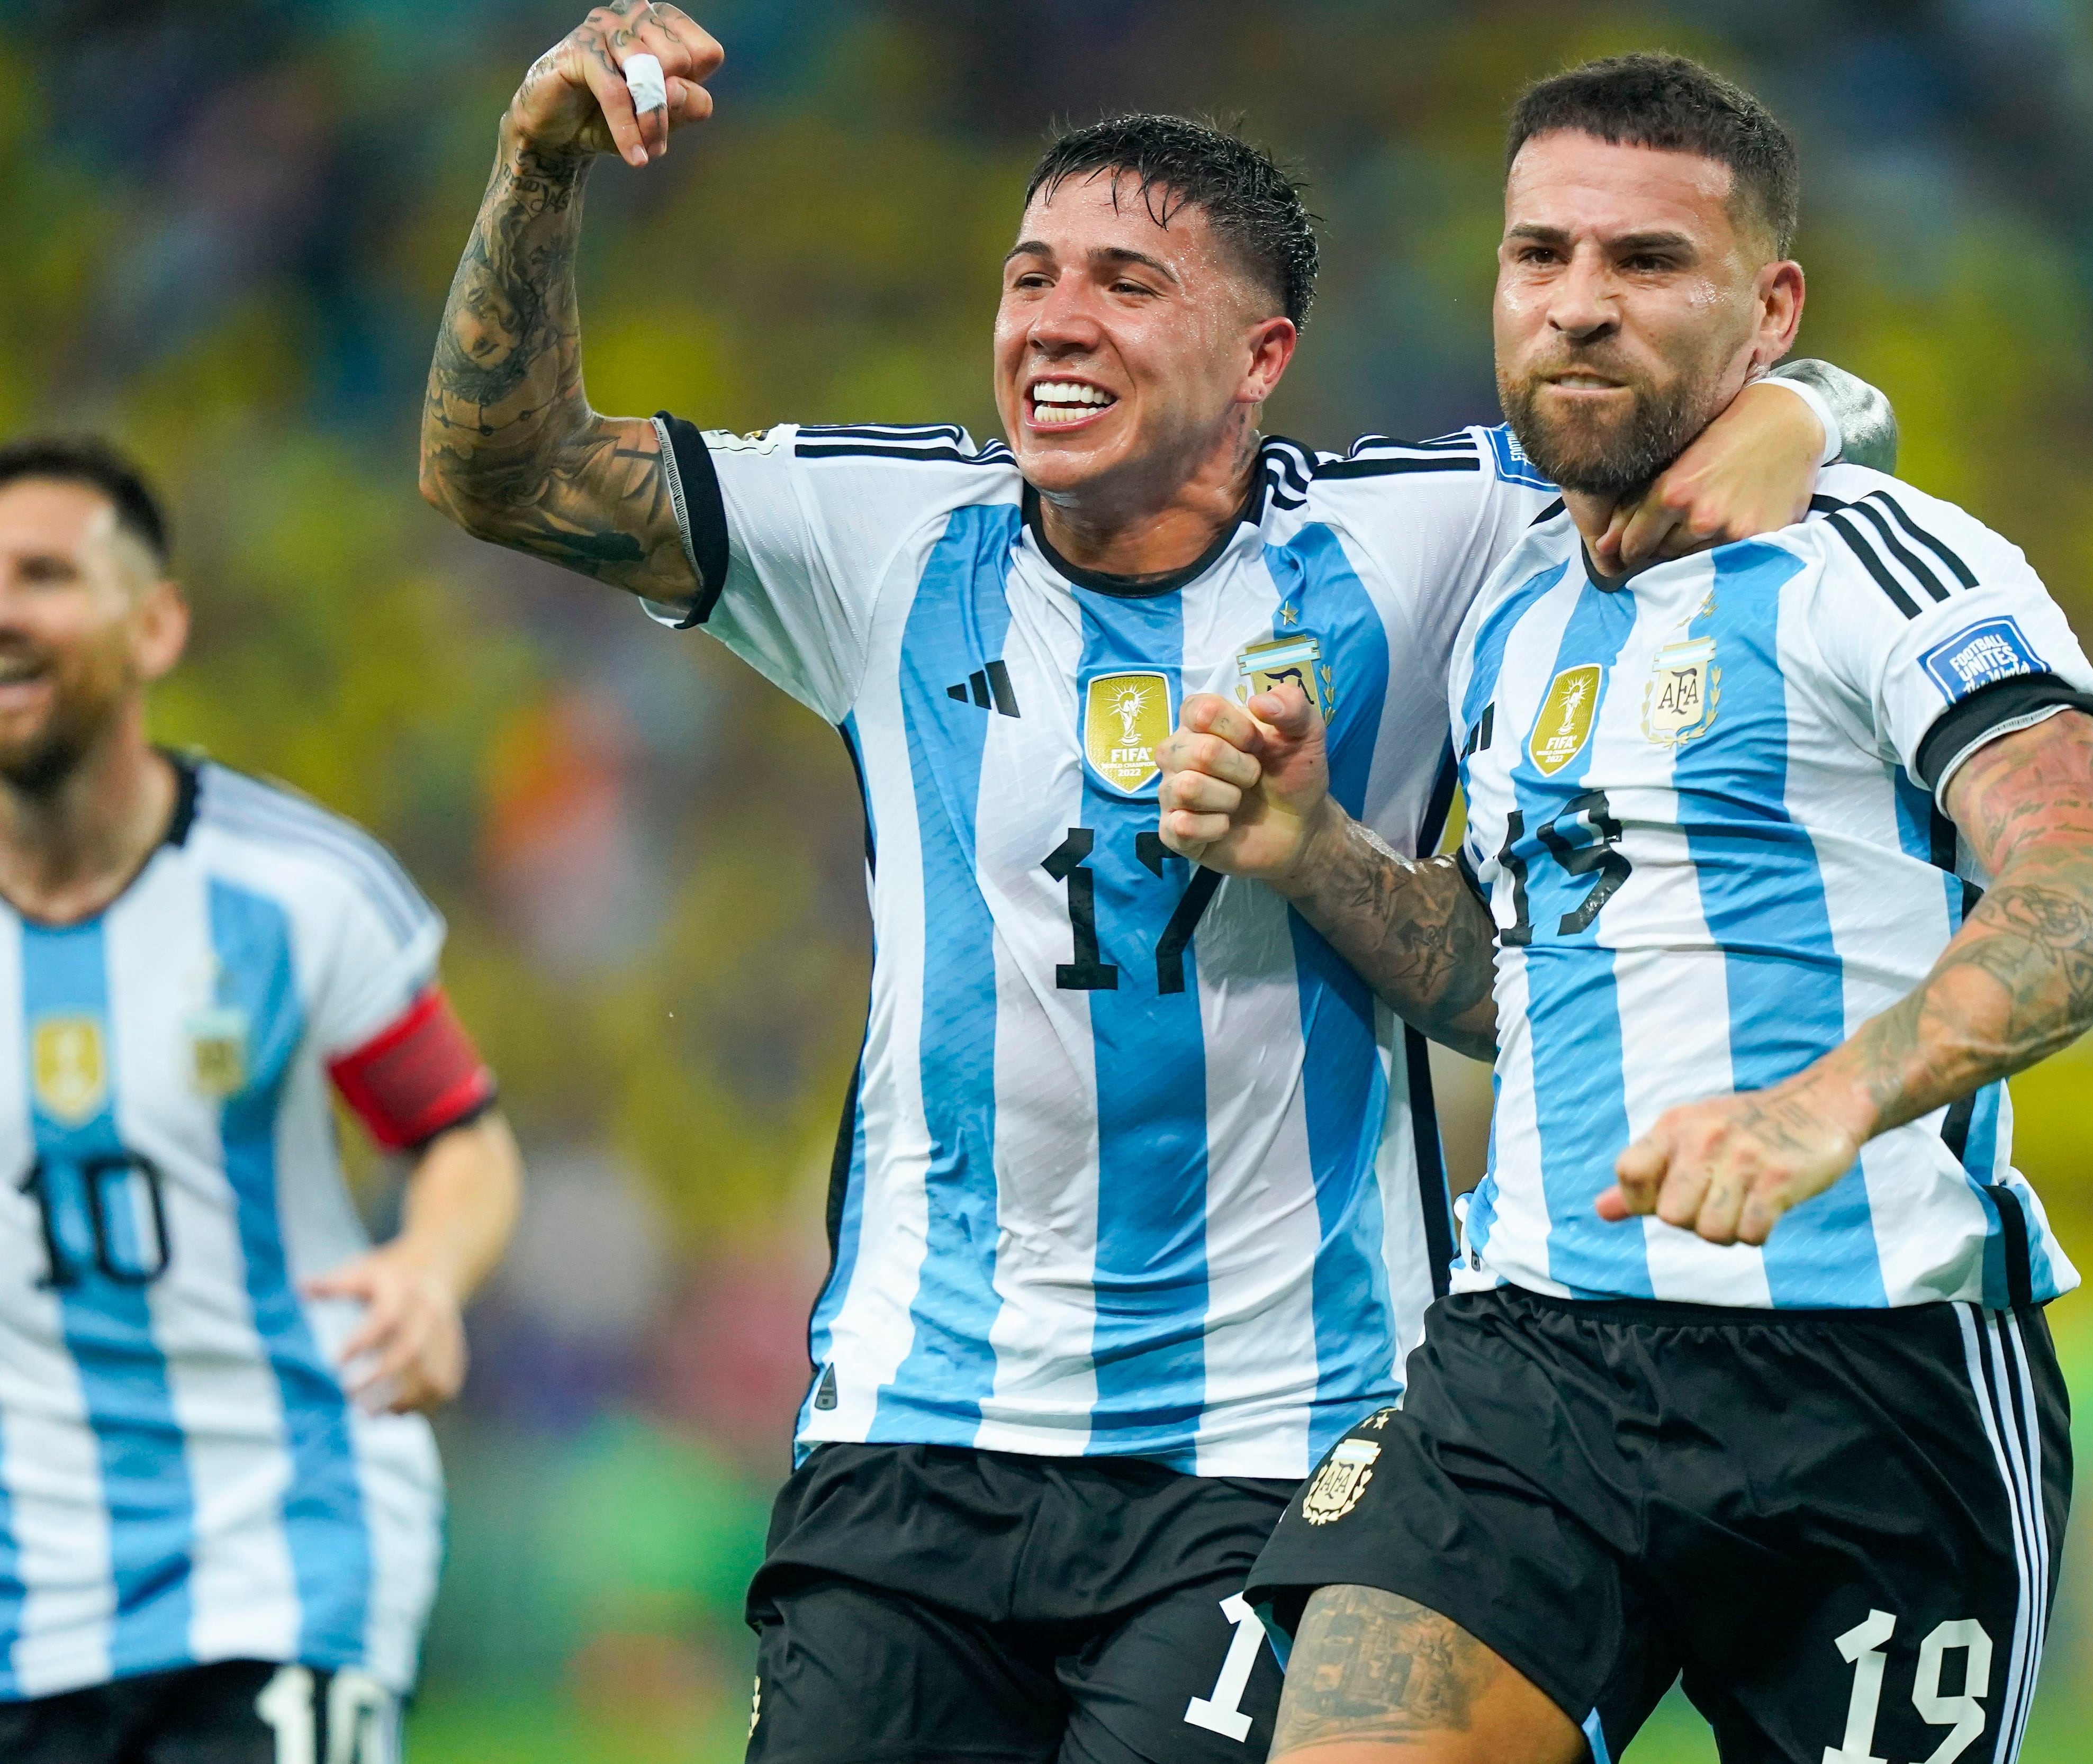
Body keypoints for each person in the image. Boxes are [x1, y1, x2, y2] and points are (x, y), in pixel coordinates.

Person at [417, 9, 1898, 1762]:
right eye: (1030, 278)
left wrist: (1802, 405)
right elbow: (499, 471)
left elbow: (1717, 418)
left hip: (1277, 1447)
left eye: (1126, 284)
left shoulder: (1412, 537)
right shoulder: (888, 538)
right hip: (912, 1433)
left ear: (1262, 356)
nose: (1054, 319)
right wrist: (535, 164)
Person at [1157, 53, 2093, 1764]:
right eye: (1539, 254)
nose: (1579, 303)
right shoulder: (1513, 607)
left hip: (1873, 1380)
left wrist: (1819, 1107)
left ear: (1769, 309)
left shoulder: (1888, 564)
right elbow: (1512, 985)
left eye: (1646, 260)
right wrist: (1313, 848)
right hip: (1531, 1364)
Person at [0, 438, 522, 1764]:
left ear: (155, 624)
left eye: (44, 575)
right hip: (23, 1588)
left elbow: (457, 1134)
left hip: (280, 1543)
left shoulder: (292, 890)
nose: (4, 612)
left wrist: (429, 1269)